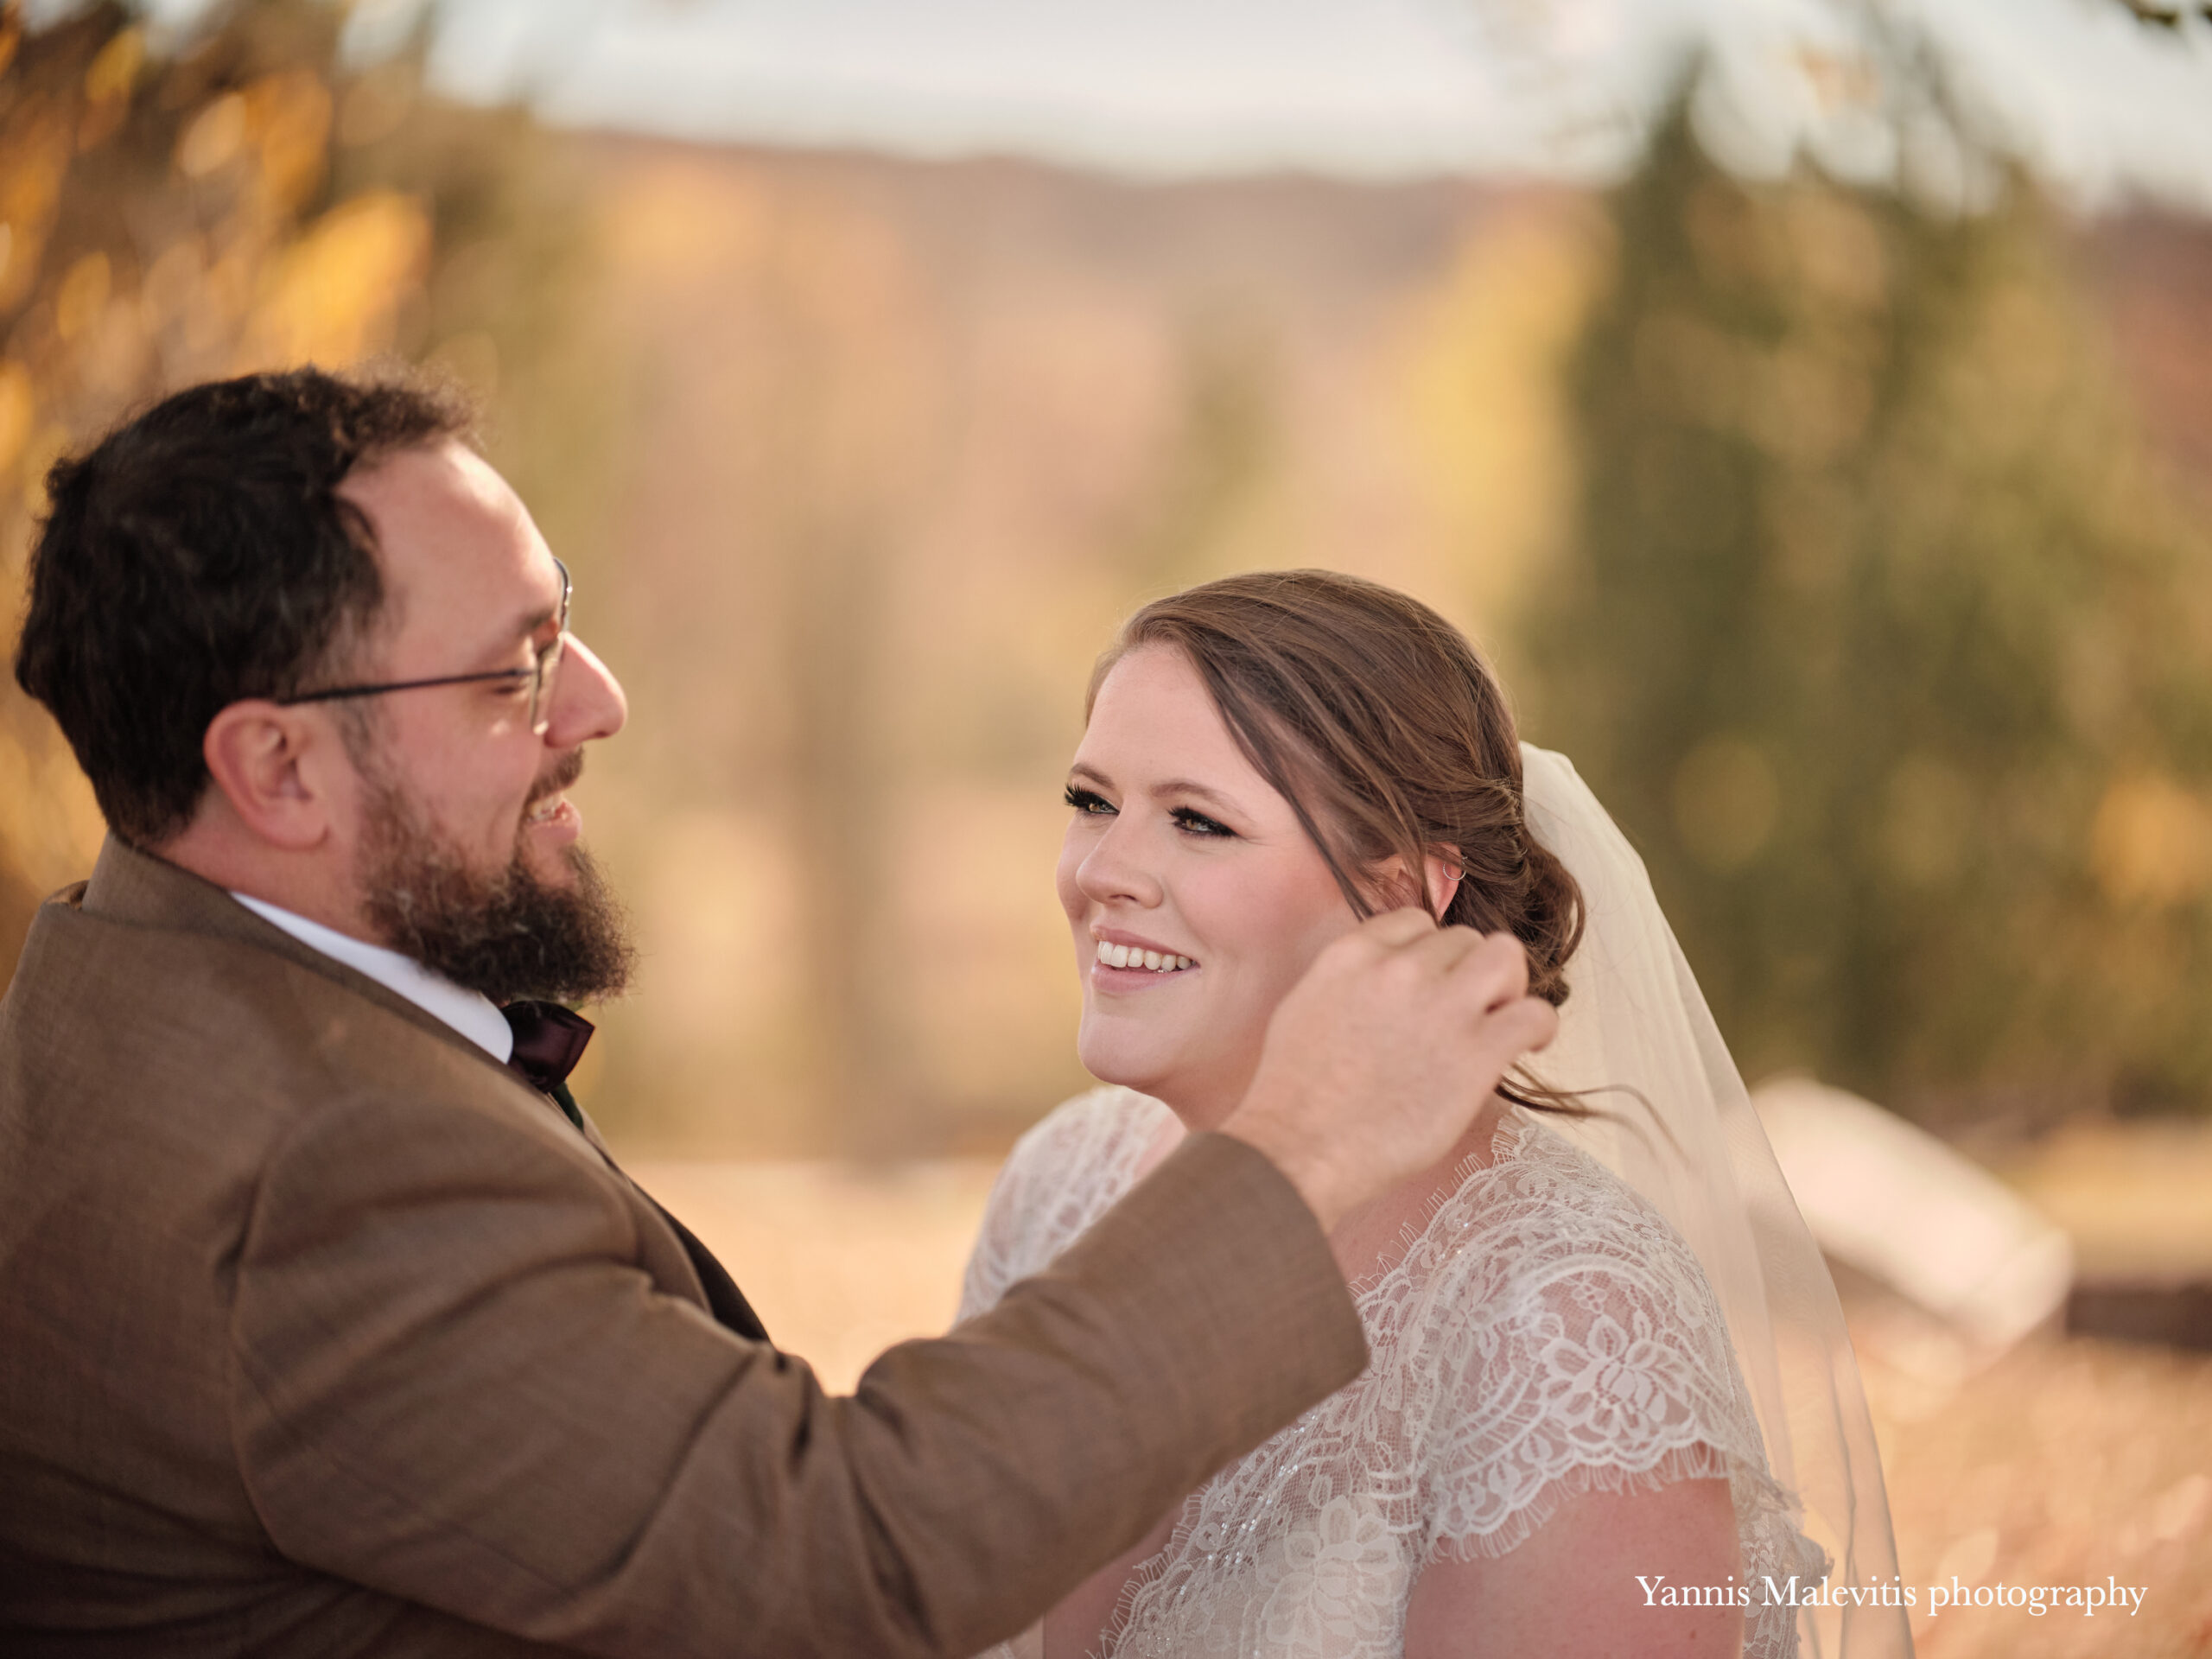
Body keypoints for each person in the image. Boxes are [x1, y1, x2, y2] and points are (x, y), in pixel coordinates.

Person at [0, 372, 1566, 1658]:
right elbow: (835, 1559)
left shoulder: (118, 990)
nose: (599, 702)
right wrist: (1301, 1151)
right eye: (512, 671)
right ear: (276, 770)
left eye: (569, 621)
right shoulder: (318, 1180)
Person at [958, 571, 1912, 1659]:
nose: (1103, 873)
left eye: (1196, 821)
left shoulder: (1566, 1336)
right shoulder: (1057, 1188)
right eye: (1091, 802)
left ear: (1407, 889)